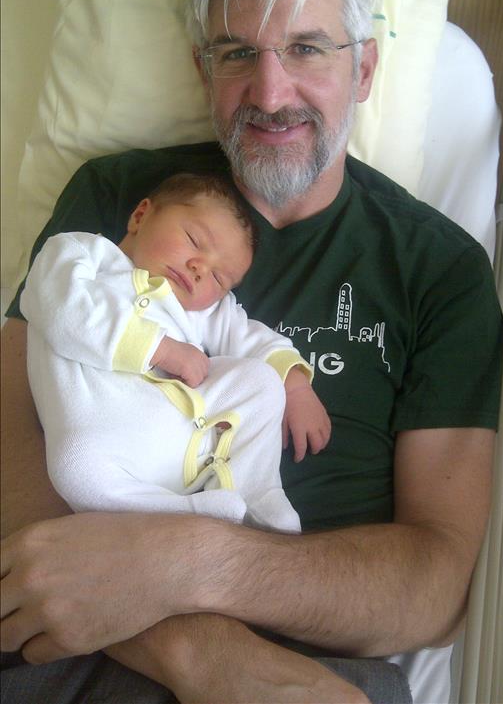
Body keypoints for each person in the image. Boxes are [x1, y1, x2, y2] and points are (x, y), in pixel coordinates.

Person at [0, 0, 503, 703]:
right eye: (237, 53)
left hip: (304, 655)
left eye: (307, 48)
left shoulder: (438, 269)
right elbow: (6, 427)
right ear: (203, 70)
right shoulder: (120, 198)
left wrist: (191, 566)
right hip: (64, 624)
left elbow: (433, 587)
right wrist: (201, 654)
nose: (270, 94)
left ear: (364, 69)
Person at [20, 171, 331, 533]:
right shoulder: (82, 253)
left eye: (219, 278)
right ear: (140, 216)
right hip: (107, 448)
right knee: (74, 468)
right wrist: (160, 349)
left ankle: (257, 492)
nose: (201, 269)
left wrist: (295, 387)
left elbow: (250, 337)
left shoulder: (201, 310)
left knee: (260, 381)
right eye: (194, 240)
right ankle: (192, 511)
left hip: (187, 437)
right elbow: (60, 308)